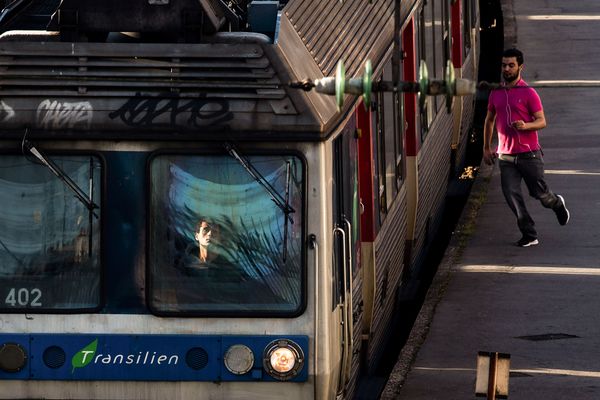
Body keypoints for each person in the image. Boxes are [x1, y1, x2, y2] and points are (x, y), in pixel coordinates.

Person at [483, 48, 570, 247]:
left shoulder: (529, 93)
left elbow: (542, 121)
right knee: (511, 194)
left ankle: (556, 203)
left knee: (540, 195)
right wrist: (486, 148)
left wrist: (526, 126)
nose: (506, 68)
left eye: (511, 65)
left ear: (520, 67)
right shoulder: (496, 91)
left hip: (529, 155)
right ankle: (529, 234)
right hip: (506, 156)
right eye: (504, 65)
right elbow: (489, 121)